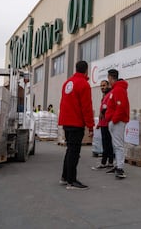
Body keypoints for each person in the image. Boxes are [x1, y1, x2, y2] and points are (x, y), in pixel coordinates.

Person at [58, 60, 94, 190]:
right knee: (74, 152)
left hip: (66, 122)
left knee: (70, 150)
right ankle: (71, 181)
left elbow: (63, 103)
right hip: (76, 123)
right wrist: (90, 126)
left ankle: (65, 177)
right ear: (86, 70)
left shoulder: (68, 83)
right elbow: (86, 107)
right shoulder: (84, 84)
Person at [105, 69, 130, 179]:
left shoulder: (118, 89)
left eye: (108, 78)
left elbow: (121, 107)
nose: (108, 80)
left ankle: (120, 168)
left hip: (117, 122)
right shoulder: (116, 89)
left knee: (118, 145)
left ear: (110, 77)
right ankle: (118, 165)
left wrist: (114, 120)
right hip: (115, 121)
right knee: (116, 145)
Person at [92, 80, 114, 170]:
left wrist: (103, 114)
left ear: (108, 85)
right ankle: (109, 162)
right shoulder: (104, 95)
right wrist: (99, 124)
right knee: (106, 143)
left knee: (107, 143)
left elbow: (107, 108)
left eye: (104, 85)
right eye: (101, 86)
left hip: (107, 123)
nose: (102, 87)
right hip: (103, 123)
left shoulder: (109, 95)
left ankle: (105, 162)